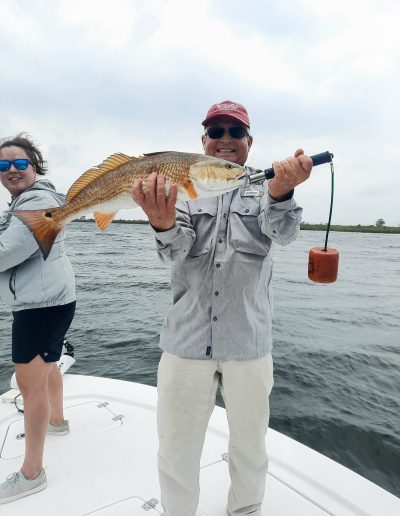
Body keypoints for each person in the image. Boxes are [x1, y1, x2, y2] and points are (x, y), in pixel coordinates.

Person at [132, 100, 313, 516]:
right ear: (203, 141)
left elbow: (284, 233)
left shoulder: (268, 187)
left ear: (250, 141)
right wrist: (161, 222)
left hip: (248, 342)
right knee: (176, 447)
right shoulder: (180, 189)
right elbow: (173, 253)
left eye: (235, 132)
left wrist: (282, 192)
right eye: (216, 132)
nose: (225, 139)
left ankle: (245, 510)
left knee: (250, 445)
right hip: (185, 340)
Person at [0, 134, 76, 504]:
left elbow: (8, 251)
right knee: (48, 364)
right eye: (3, 165)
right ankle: (57, 422)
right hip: (51, 301)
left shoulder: (39, 202)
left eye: (19, 163)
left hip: (39, 307)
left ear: (34, 167)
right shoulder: (26, 201)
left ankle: (32, 473)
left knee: (30, 388)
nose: (11, 170)